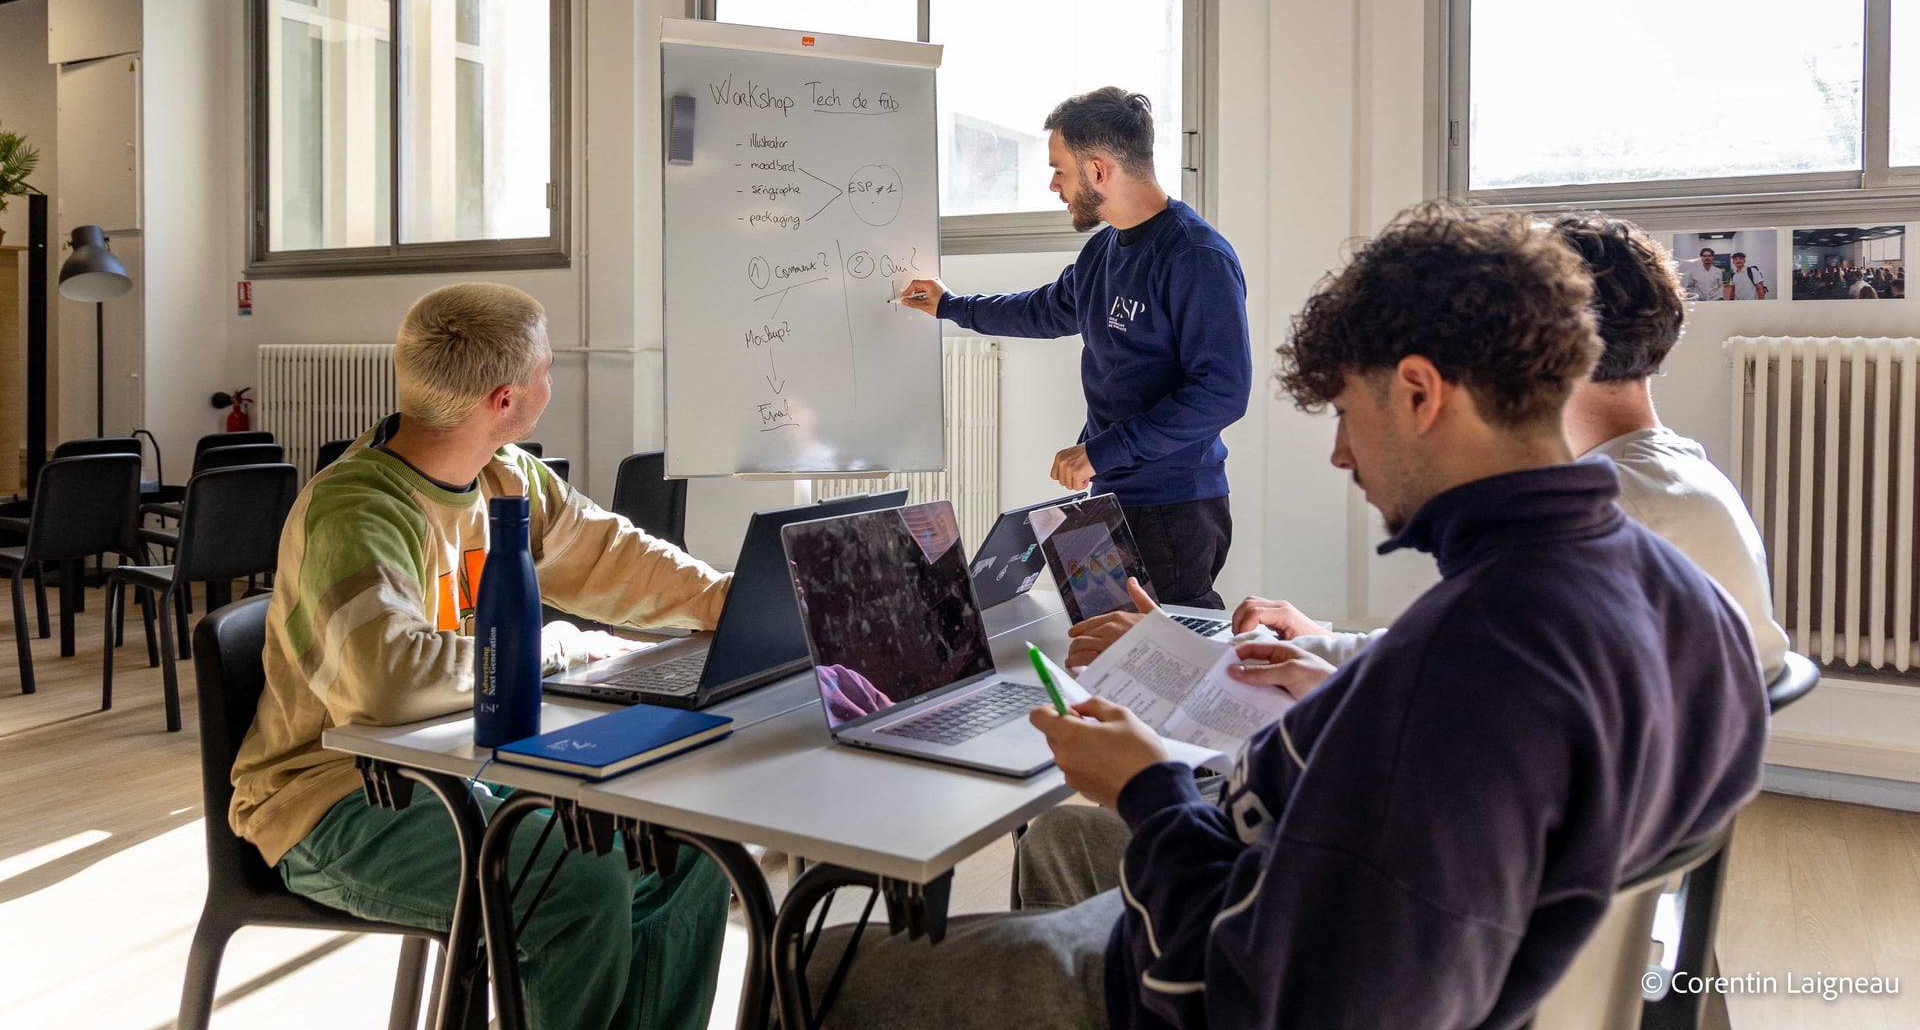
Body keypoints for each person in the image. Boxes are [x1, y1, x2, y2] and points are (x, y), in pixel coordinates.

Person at [796, 203, 1769, 1030]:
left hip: (1200, 965)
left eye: (1348, 412)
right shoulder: (1670, 590)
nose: (1342, 455)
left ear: (1423, 393)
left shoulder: (1474, 662)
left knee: (819, 964)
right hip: (1269, 884)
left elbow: (1283, 993)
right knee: (1066, 846)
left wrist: (1148, 791)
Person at [230, 283, 732, 1030]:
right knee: (582, 884)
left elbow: (615, 557)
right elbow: (387, 685)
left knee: (687, 850)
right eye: (546, 369)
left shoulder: (506, 476)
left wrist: (733, 601)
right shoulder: (356, 510)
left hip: (456, 774)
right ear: (504, 399)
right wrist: (554, 648)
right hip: (333, 802)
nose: (550, 382)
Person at [1235, 213, 1790, 685]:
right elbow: (1473, 653)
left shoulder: (1606, 519)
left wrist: (1325, 667)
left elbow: (1471, 680)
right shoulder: (1674, 477)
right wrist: (1328, 644)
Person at [899, 88, 1252, 607]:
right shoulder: (1102, 252)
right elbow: (1043, 309)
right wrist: (952, 306)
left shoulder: (1196, 256)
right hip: (1110, 495)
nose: (1053, 185)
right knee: (1106, 645)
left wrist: (1102, 451)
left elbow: (1222, 393)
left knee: (1168, 655)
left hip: (1174, 507)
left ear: (1099, 170)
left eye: (1059, 170)